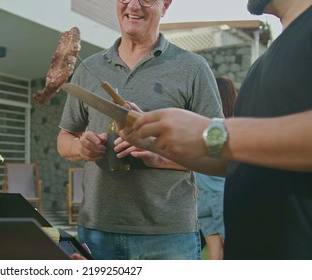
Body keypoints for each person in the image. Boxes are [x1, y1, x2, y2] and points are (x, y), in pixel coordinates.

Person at [117, 0, 312, 259]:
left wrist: (212, 132)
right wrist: (155, 140)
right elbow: (235, 161)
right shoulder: (265, 61)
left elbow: (219, 138)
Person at [56, 0, 224, 260]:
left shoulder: (193, 68)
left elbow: (216, 150)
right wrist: (81, 147)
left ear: (165, 5)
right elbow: (64, 138)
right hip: (97, 231)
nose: (133, 5)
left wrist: (158, 155)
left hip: (168, 236)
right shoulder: (89, 68)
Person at [196, 77, 238, 260]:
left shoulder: (202, 125)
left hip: (202, 195)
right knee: (231, 251)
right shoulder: (232, 126)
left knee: (215, 252)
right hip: (222, 194)